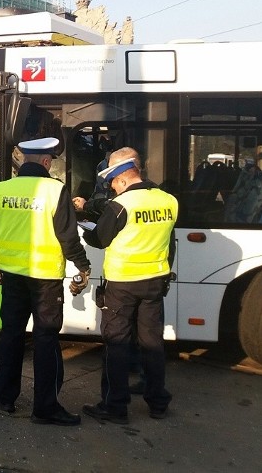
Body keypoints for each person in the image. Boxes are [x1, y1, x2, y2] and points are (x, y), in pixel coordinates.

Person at [0, 137, 90, 426]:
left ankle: (3, 396)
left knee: (12, 335)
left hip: (12, 276)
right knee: (45, 339)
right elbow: (67, 235)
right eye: (52, 160)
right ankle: (45, 408)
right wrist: (83, 265)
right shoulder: (56, 190)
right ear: (45, 161)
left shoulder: (1, 189)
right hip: (45, 280)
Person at [82, 147, 177, 424]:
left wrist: (88, 225)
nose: (113, 189)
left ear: (122, 179)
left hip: (122, 285)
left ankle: (114, 406)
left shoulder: (121, 205)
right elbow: (168, 242)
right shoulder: (168, 200)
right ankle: (157, 401)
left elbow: (99, 239)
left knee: (117, 344)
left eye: (113, 184)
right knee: (152, 343)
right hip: (154, 283)